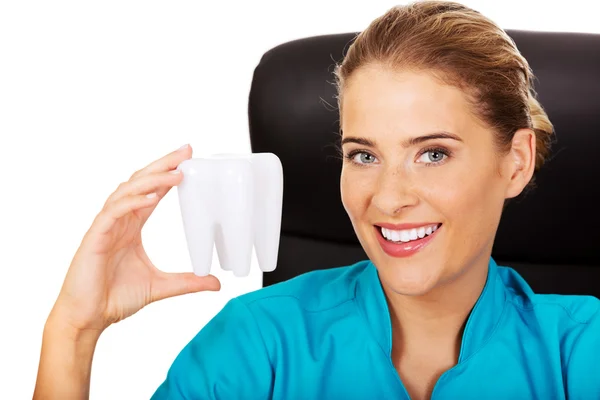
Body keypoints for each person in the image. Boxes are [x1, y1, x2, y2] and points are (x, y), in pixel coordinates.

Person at [33, 1, 600, 399]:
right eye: (364, 155)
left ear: (516, 162)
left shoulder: (581, 350)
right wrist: (73, 330)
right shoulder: (260, 342)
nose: (388, 198)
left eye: (432, 153)